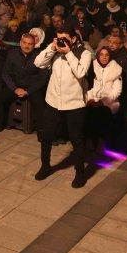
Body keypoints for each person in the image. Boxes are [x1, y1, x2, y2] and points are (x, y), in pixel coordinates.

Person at [33, 30, 94, 187]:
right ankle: (45, 166)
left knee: (76, 139)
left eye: (64, 39)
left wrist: (68, 53)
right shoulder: (55, 51)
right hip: (53, 101)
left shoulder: (84, 53)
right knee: (46, 136)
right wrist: (51, 48)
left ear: (73, 39)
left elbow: (80, 73)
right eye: (58, 38)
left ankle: (80, 173)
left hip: (74, 104)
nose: (61, 42)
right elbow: (38, 63)